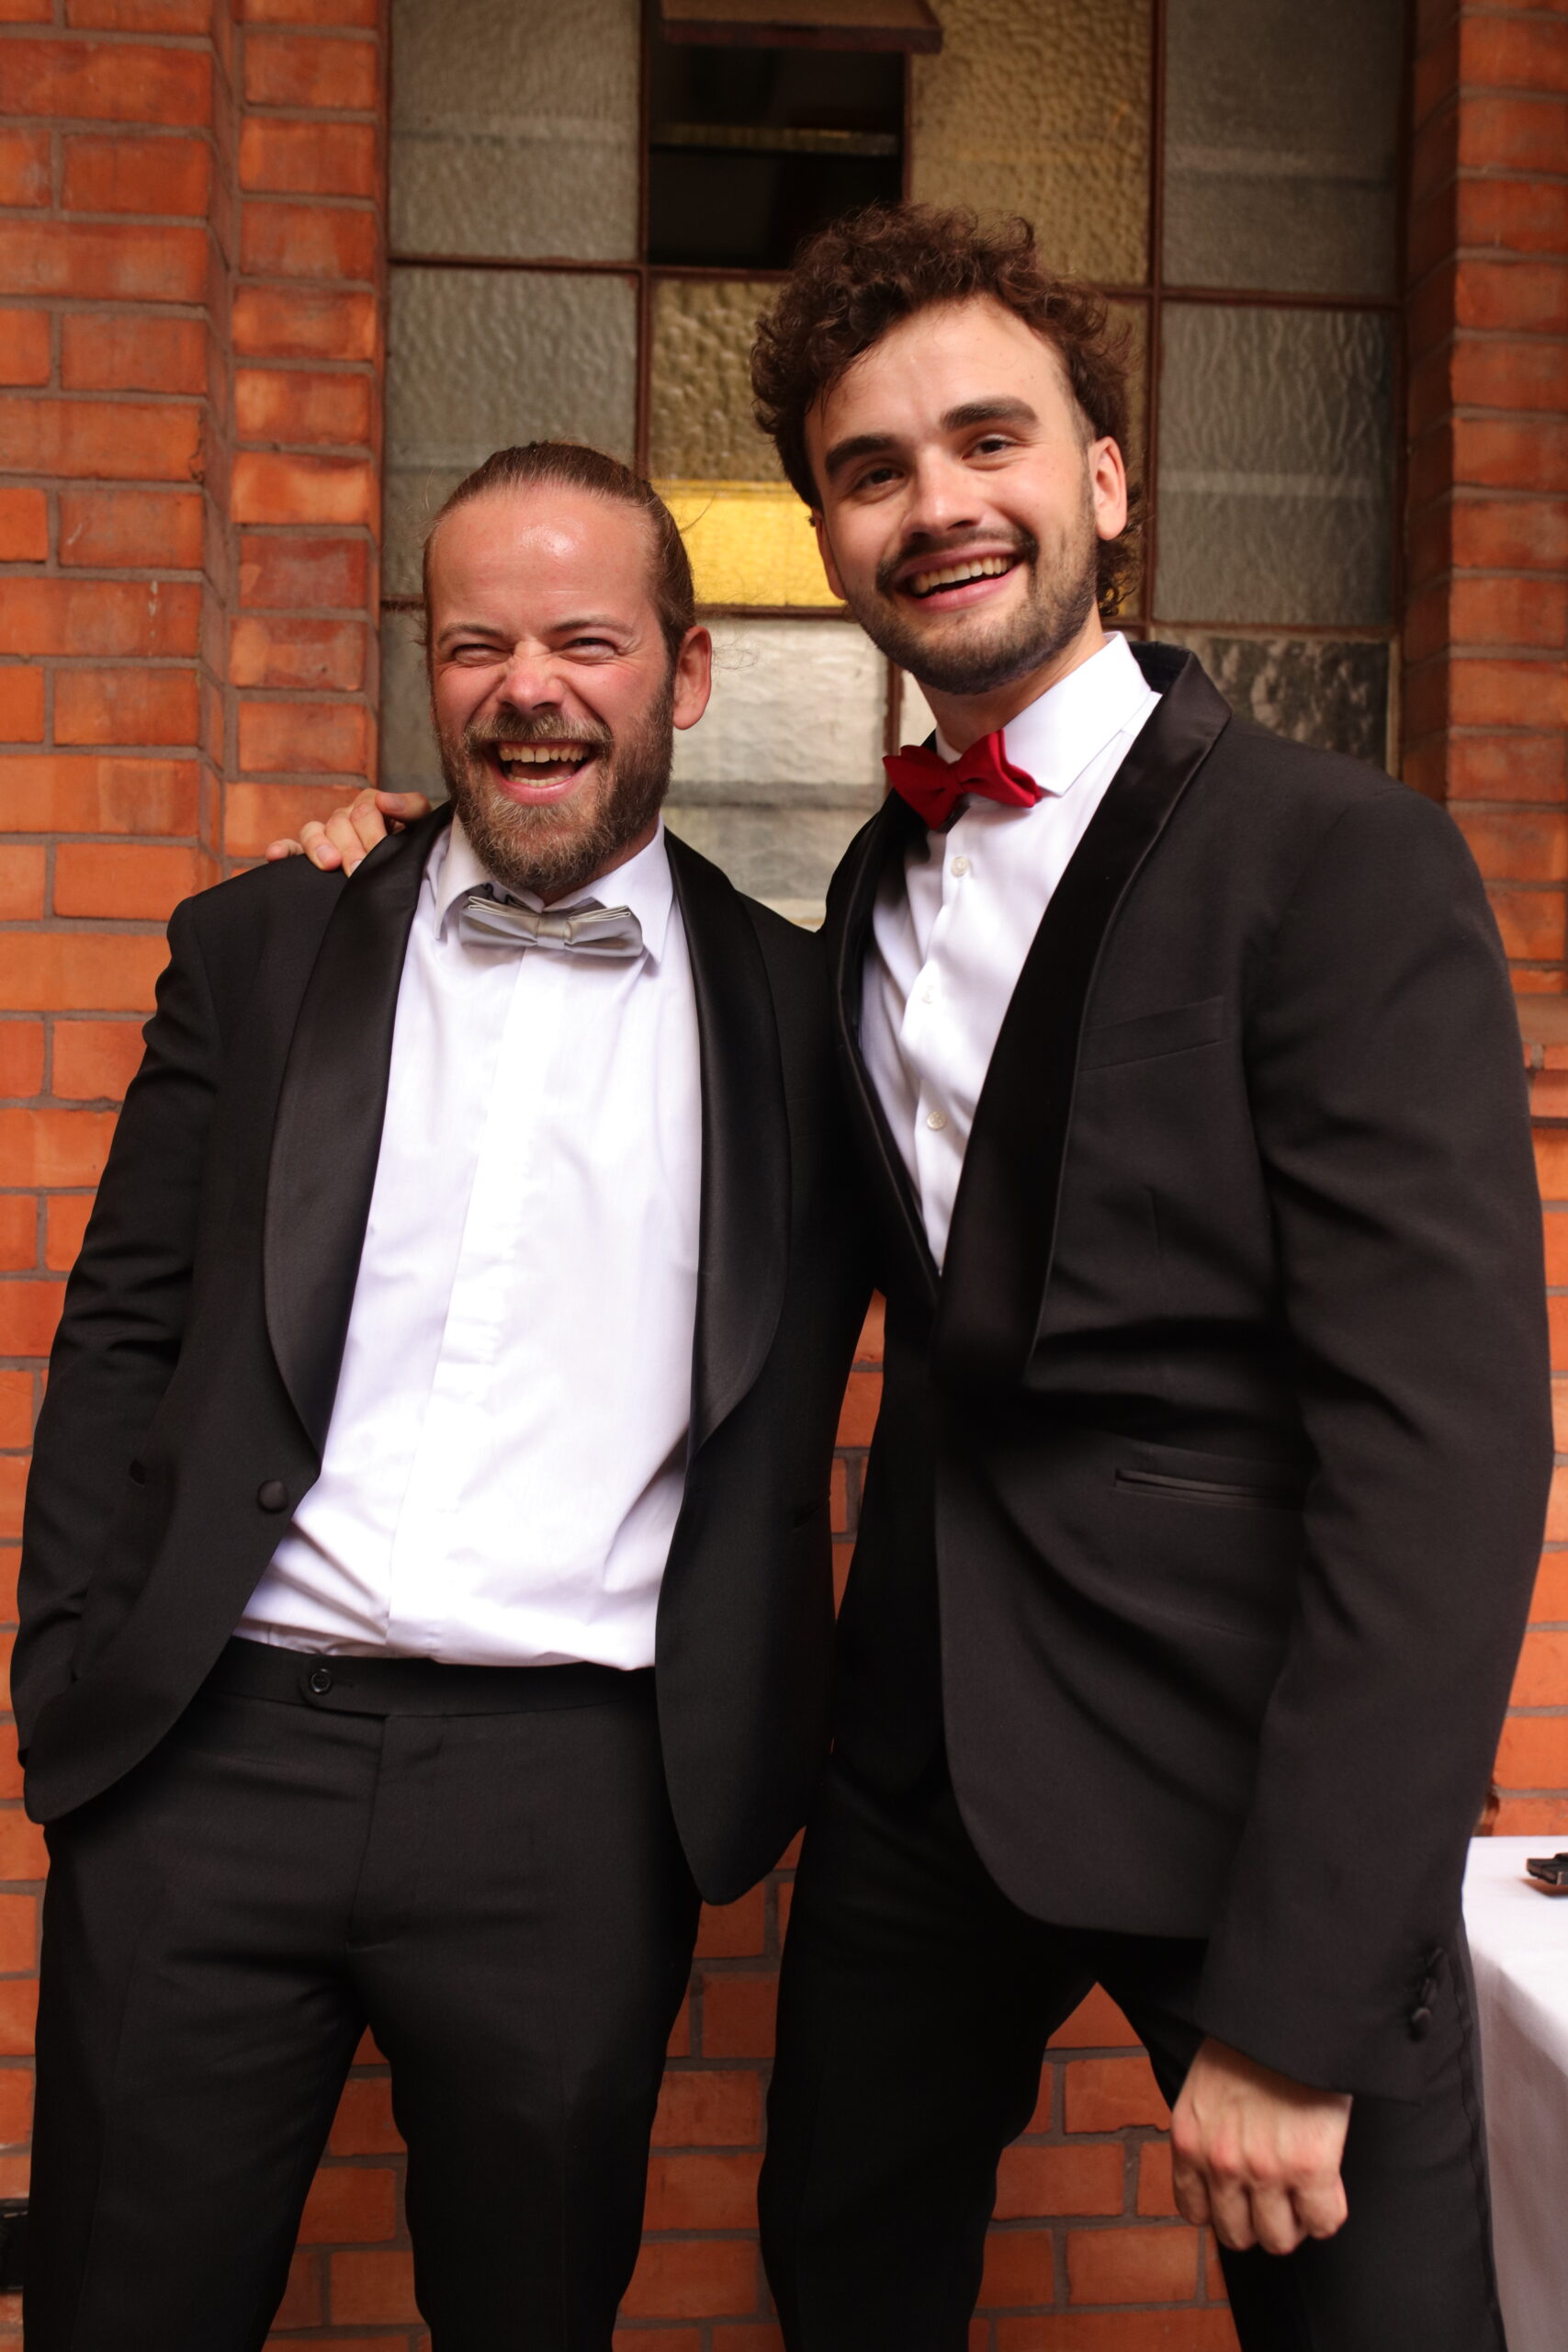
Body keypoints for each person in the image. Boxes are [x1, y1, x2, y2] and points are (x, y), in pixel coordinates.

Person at [283, 209, 1551, 2349]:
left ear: (1104, 479)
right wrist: (401, 867)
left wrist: (1303, 1995)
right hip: (917, 1774)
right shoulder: (867, 892)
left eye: (988, 439)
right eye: (870, 469)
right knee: (841, 2269)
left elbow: (1441, 1452)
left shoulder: (1339, 861)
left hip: (1246, 1785)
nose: (935, 501)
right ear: (827, 537)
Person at [14, 440, 866, 2352]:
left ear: (686, 669)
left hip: (576, 1797)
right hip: (212, 1758)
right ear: (429, 669)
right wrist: (73, 1677)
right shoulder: (266, 943)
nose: (525, 688)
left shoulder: (808, 1021)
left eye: (585, 640)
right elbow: (123, 1327)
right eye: (476, 644)